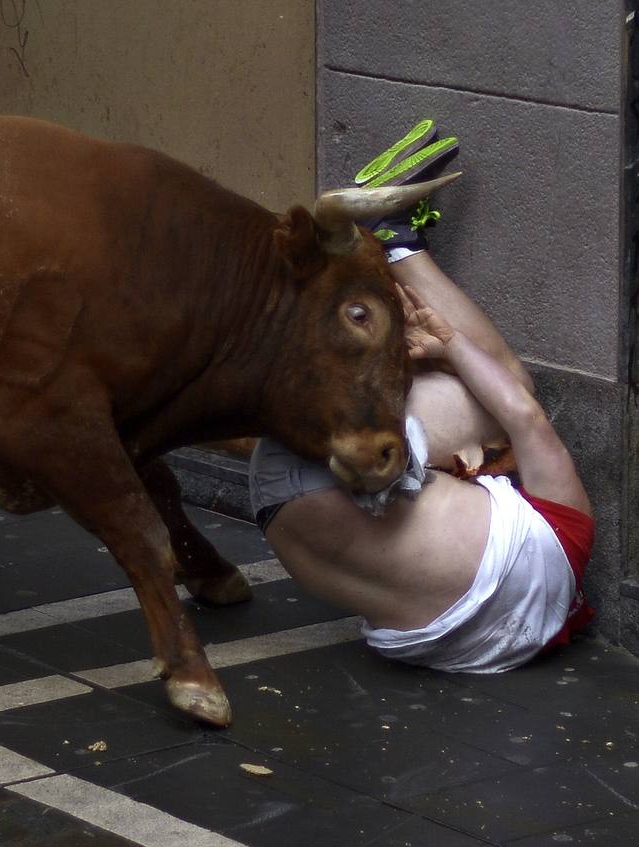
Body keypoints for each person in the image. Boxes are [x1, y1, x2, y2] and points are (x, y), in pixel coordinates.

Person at [248, 121, 595, 673]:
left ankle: (391, 239)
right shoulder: (478, 647)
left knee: (509, 386)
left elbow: (523, 415)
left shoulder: (566, 535)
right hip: (275, 505)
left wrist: (449, 345)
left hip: (335, 469)